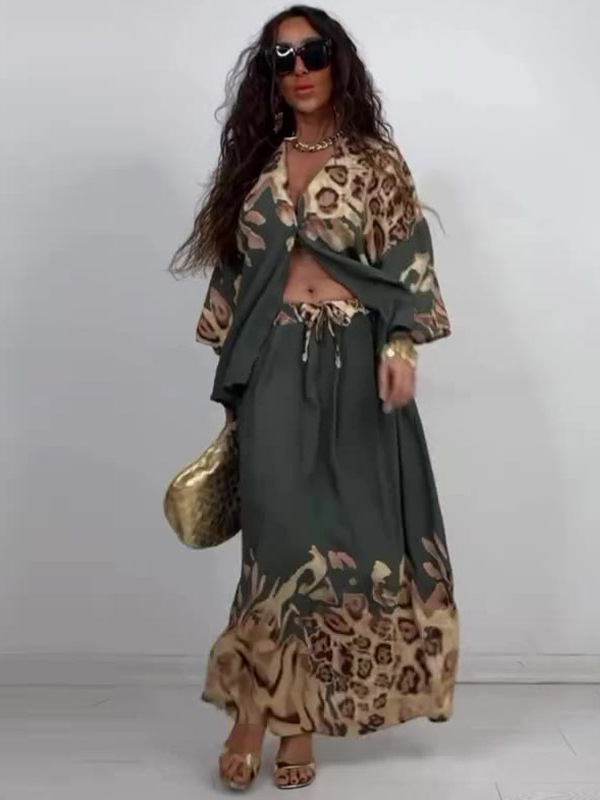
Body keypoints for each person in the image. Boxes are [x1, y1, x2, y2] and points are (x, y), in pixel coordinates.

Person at [169, 4, 459, 792]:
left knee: (337, 548)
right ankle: (252, 716)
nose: (298, 70)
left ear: (339, 61)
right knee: (276, 546)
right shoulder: (254, 171)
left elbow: (408, 265)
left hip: (356, 369)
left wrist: (400, 348)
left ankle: (297, 725)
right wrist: (235, 393)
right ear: (268, 77)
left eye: (313, 52)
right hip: (273, 369)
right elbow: (233, 284)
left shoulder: (376, 163)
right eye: (281, 59)